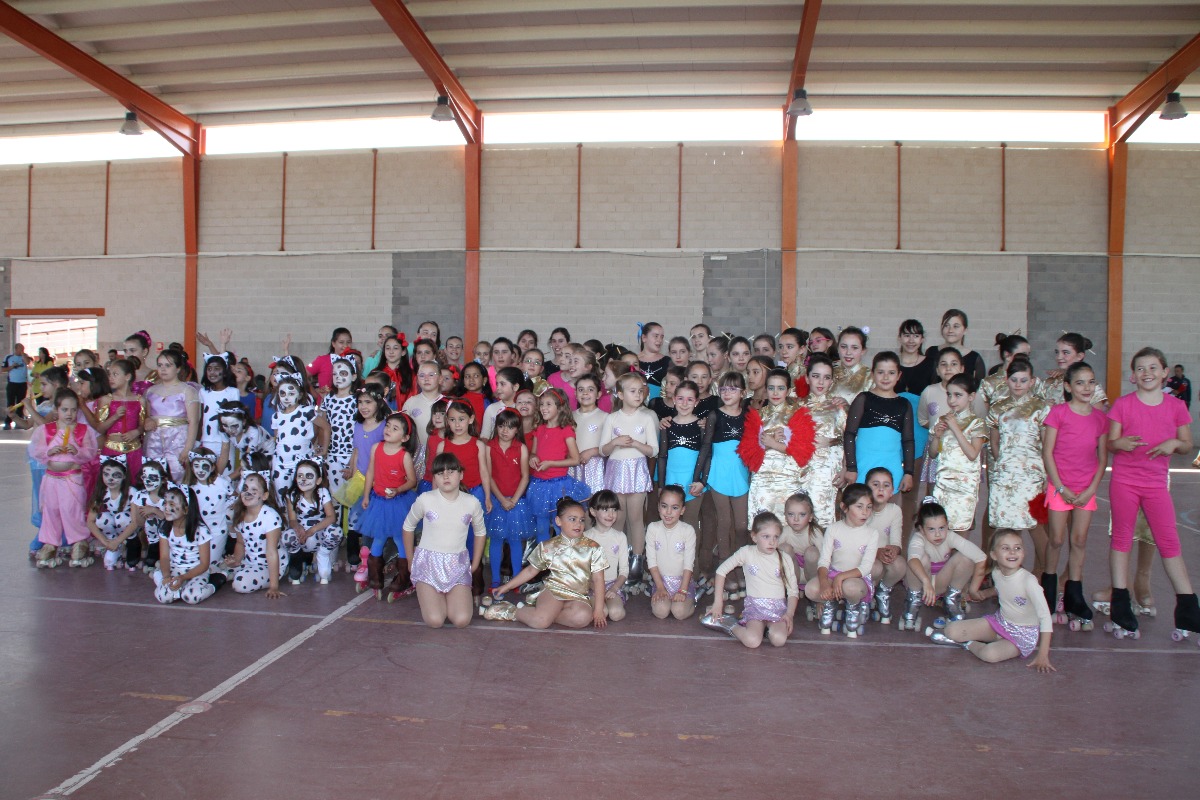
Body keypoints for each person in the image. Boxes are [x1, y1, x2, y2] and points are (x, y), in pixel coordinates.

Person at [1105, 347, 1198, 641]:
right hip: (1125, 481)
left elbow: (1187, 444)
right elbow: (1110, 442)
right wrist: (1122, 444)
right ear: (1133, 376)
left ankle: (1188, 609)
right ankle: (1120, 606)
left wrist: (1173, 443)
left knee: (1168, 541)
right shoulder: (1123, 405)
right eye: (1141, 369)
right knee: (1122, 539)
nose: (1147, 373)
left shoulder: (1175, 407)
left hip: (1156, 484)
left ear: (1164, 373)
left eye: (1153, 368)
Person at [927, 530, 1055, 673]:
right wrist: (984, 593)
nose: (1012, 552)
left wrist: (1043, 655)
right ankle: (983, 640)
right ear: (994, 555)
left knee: (990, 655)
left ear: (1023, 553)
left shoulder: (1029, 581)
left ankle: (969, 644)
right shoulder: (996, 573)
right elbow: (1000, 588)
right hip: (999, 623)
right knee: (952, 630)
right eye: (1006, 548)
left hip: (1021, 636)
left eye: (1017, 548)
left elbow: (1045, 616)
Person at [1041, 361, 1108, 631]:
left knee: (1079, 540)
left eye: (1091, 382)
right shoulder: (1058, 413)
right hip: (1060, 487)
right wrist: (1060, 488)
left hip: (1085, 490)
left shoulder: (1100, 418)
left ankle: (1074, 597)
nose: (1087, 387)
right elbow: (1048, 453)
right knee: (1056, 539)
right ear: (1068, 386)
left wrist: (1090, 490)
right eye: (1080, 382)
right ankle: (1047, 593)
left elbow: (1102, 459)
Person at [484, 497, 607, 629]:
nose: (578, 524)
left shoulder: (593, 547)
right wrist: (507, 586)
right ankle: (512, 611)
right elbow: (531, 571)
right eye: (572, 519)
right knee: (540, 622)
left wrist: (598, 610)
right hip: (554, 591)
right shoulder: (548, 546)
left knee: (582, 618)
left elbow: (599, 579)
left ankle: (546, 615)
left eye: (582, 520)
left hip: (578, 595)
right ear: (558, 521)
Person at [403, 453, 487, 628]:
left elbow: (480, 532)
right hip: (428, 565)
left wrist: (476, 563)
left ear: (461, 474)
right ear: (434, 477)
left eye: (451, 471)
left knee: (461, 620)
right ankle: (431, 596)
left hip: (457, 565)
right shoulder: (425, 499)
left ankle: (449, 599)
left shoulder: (472, 502)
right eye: (440, 473)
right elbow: (408, 527)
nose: (446, 476)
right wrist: (411, 560)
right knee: (435, 621)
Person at [986, 356, 1050, 574]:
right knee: (1006, 529)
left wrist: (1043, 474)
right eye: (1014, 380)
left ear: (1032, 381)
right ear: (1007, 380)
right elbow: (994, 442)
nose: (1019, 384)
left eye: (1024, 380)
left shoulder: (1041, 407)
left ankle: (1043, 578)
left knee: (1035, 527)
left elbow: (1046, 445)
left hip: (1032, 476)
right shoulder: (998, 408)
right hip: (1005, 475)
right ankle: (1005, 577)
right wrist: (1003, 463)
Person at [702, 511, 799, 648]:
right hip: (755, 609)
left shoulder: (784, 558)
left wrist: (789, 614)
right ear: (754, 537)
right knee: (752, 641)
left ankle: (767, 630)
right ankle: (730, 624)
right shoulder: (746, 552)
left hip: (777, 610)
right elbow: (721, 571)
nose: (772, 542)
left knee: (779, 640)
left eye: (775, 537)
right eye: (766, 536)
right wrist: (718, 602)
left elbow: (793, 591)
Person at [29, 389, 100, 568]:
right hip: (51, 478)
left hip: (72, 479)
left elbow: (90, 453)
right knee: (51, 510)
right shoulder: (47, 430)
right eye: (65, 410)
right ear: (56, 410)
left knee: (71, 509)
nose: (69, 414)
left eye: (73, 410)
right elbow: (36, 451)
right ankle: (50, 543)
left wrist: (77, 452)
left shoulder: (83, 431)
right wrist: (48, 452)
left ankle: (79, 542)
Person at [600, 373, 660, 585]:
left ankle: (636, 563)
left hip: (636, 470)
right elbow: (603, 450)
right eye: (632, 391)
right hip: (616, 471)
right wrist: (615, 442)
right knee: (617, 519)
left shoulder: (646, 417)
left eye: (641, 390)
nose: (638, 394)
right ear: (620, 394)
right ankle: (617, 562)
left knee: (636, 519)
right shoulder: (612, 418)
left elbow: (654, 450)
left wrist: (635, 444)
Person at [740, 368, 816, 527]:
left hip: (788, 476)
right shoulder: (758, 415)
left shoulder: (797, 414)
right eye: (771, 388)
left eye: (781, 388)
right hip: (762, 477)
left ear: (788, 390)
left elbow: (802, 452)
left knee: (789, 525)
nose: (775, 392)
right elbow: (748, 451)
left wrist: (774, 444)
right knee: (763, 525)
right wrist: (769, 443)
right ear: (765, 390)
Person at [805, 483, 878, 638]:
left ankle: (853, 608)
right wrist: (825, 583)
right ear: (844, 507)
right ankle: (830, 603)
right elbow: (824, 560)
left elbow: (865, 567)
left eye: (869, 507)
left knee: (850, 588)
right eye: (859, 507)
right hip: (833, 575)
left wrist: (841, 577)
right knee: (810, 589)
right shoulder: (833, 529)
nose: (865, 512)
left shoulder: (872, 533)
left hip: (857, 579)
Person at [901, 501, 987, 631]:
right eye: (931, 529)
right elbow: (913, 560)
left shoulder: (950, 536)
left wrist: (973, 589)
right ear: (922, 530)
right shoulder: (918, 538)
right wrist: (926, 582)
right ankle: (912, 604)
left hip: (939, 583)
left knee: (965, 558)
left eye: (942, 528)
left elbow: (980, 557)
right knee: (919, 559)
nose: (937, 534)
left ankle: (952, 600)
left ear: (947, 526)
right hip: (920, 583)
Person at [360, 412, 419, 599]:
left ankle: (404, 577)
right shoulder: (376, 448)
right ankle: (375, 578)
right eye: (387, 426)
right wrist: (365, 495)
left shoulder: (404, 456)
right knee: (378, 538)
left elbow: (412, 481)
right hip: (378, 502)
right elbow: (370, 472)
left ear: (405, 437)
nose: (388, 430)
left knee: (401, 539)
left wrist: (398, 489)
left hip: (398, 503)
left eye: (395, 428)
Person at [843, 351, 915, 492]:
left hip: (891, 466)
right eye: (881, 372)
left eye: (891, 373)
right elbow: (849, 434)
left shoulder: (904, 404)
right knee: (861, 507)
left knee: (886, 508)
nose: (886, 377)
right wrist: (851, 467)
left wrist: (908, 472)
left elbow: (908, 440)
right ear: (872, 373)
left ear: (899, 375)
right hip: (863, 464)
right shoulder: (863, 399)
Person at [929, 374, 987, 535]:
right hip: (942, 485)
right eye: (949, 395)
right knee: (939, 533)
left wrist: (954, 427)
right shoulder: (942, 419)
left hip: (964, 487)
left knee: (960, 536)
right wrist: (937, 436)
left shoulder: (977, 423)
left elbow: (973, 454)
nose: (952, 400)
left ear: (971, 397)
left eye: (958, 395)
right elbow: (933, 454)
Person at [484, 409, 533, 594]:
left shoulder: (521, 448)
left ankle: (517, 580)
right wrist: (501, 499)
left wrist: (514, 499)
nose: (505, 431)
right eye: (501, 426)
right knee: (496, 540)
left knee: (514, 541)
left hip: (517, 502)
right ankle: (496, 580)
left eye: (510, 427)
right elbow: (488, 476)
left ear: (516, 430)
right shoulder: (490, 447)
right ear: (496, 427)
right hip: (498, 501)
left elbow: (525, 476)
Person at [153, 486, 225, 605]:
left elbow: (204, 564)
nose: (166, 507)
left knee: (191, 597)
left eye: (171, 504)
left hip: (196, 570)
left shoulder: (200, 530)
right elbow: (165, 557)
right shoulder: (165, 528)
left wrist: (183, 578)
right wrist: (166, 576)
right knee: (164, 597)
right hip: (175, 568)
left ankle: (216, 580)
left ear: (186, 510)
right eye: (165, 502)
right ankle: (161, 576)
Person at [796, 354, 846, 528]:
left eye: (826, 377)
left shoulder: (839, 407)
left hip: (829, 469)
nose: (821, 382)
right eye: (816, 376)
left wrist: (845, 468)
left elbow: (849, 438)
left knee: (825, 515)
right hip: (800, 469)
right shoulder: (796, 406)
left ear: (832, 381)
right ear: (807, 378)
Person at [224, 472, 287, 598]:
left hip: (269, 565)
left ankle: (265, 577)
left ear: (264, 496)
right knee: (216, 568)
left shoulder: (270, 517)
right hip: (249, 562)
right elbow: (241, 543)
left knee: (240, 583)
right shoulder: (241, 515)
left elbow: (271, 552)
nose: (248, 493)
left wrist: (274, 586)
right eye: (245, 489)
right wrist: (236, 560)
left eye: (254, 490)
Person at [142, 349, 200, 482]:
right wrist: (147, 421)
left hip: (178, 438)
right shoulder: (150, 391)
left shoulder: (188, 390)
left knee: (177, 474)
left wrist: (188, 448)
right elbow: (145, 417)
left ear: (178, 368)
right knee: (153, 474)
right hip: (154, 440)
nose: (163, 369)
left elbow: (194, 421)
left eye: (168, 365)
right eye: (160, 365)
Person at [281, 458, 340, 586]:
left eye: (308, 476)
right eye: (300, 476)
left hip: (318, 532)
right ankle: (296, 561)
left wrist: (312, 530)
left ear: (318, 480)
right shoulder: (291, 495)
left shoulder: (323, 492)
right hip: (302, 535)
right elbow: (292, 519)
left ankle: (322, 556)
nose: (303, 479)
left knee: (336, 531)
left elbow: (331, 517)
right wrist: (298, 528)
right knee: (287, 535)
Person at [645, 485, 698, 621]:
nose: (668, 512)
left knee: (679, 612)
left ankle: (693, 600)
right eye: (664, 506)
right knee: (661, 612)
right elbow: (651, 561)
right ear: (658, 507)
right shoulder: (653, 528)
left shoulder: (688, 530)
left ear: (682, 510)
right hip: (661, 581)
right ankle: (664, 597)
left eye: (674, 508)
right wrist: (660, 587)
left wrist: (683, 590)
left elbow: (688, 564)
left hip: (682, 582)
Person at [183, 447, 235, 574]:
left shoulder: (221, 483)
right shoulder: (189, 487)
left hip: (217, 531)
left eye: (205, 466)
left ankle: (222, 570)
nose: (200, 470)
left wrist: (227, 508)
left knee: (208, 567)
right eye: (196, 466)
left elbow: (235, 498)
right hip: (197, 533)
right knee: (193, 564)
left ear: (212, 468)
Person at [87, 455, 139, 570]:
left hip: (128, 526)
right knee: (102, 518)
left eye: (116, 475)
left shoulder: (132, 492)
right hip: (113, 534)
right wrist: (106, 542)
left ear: (124, 476)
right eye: (106, 474)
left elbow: (135, 522)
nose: (110, 479)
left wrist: (118, 540)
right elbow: (90, 521)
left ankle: (130, 545)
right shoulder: (102, 492)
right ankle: (115, 547)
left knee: (122, 517)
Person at [585, 490, 629, 622]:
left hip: (612, 585)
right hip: (592, 586)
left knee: (617, 614)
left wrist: (615, 588)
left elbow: (624, 571)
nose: (611, 514)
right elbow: (582, 571)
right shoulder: (586, 537)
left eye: (614, 509)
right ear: (593, 512)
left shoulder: (620, 537)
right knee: (602, 611)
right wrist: (593, 587)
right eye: (605, 510)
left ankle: (618, 598)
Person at [830, 326, 872, 405]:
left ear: (863, 351)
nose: (848, 352)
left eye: (854, 348)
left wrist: (848, 407)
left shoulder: (870, 377)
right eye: (843, 347)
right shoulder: (829, 373)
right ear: (837, 348)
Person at [636, 322, 671, 401]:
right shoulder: (634, 361)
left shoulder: (668, 361)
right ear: (644, 338)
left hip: (660, 406)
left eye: (662, 337)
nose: (659, 340)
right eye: (656, 336)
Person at [3, 342, 31, 429]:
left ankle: (19, 421)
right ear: (15, 349)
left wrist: (23, 354)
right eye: (20, 349)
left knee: (21, 403)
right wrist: (12, 366)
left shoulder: (24, 356)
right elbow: (2, 369)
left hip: (22, 383)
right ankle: (8, 421)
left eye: (23, 349)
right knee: (11, 403)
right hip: (12, 383)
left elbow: (28, 362)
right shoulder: (9, 357)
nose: (22, 350)